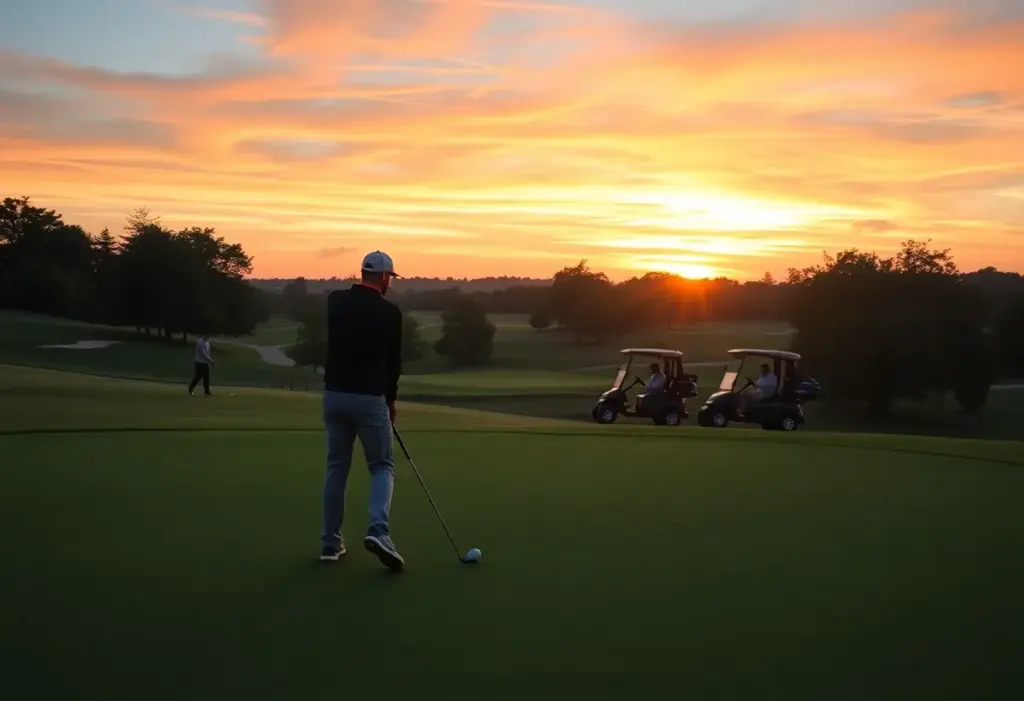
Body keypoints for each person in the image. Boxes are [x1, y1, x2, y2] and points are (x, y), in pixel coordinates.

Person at [320, 251, 405, 570]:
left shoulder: (335, 301)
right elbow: (393, 363)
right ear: (384, 278)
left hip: (334, 395)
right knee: (382, 465)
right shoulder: (391, 312)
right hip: (370, 397)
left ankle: (330, 544)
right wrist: (391, 400)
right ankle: (378, 531)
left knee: (336, 467)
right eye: (389, 279)